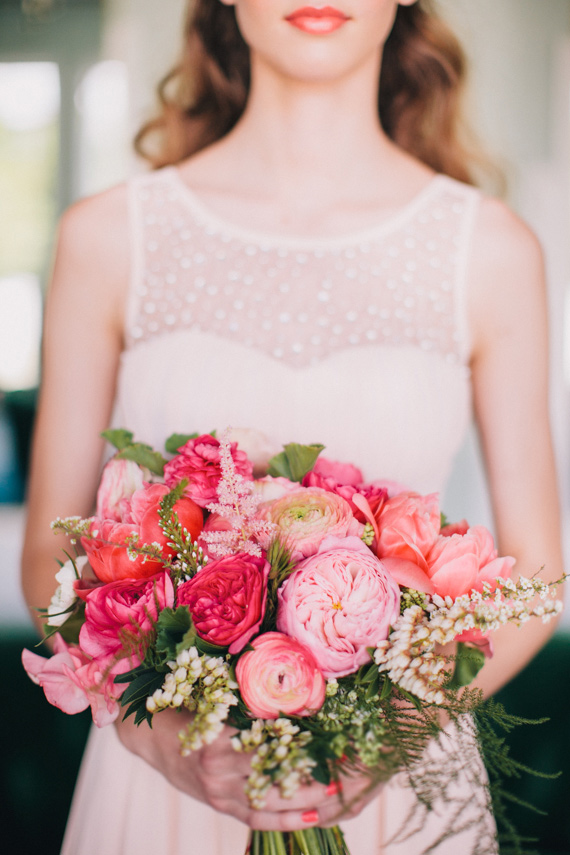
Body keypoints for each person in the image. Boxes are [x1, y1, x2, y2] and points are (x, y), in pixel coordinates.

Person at [21, 1, 564, 853]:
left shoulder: (490, 250)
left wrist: (390, 730)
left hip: (404, 784)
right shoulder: (107, 236)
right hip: (163, 775)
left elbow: (539, 569)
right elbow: (49, 558)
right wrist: (162, 741)